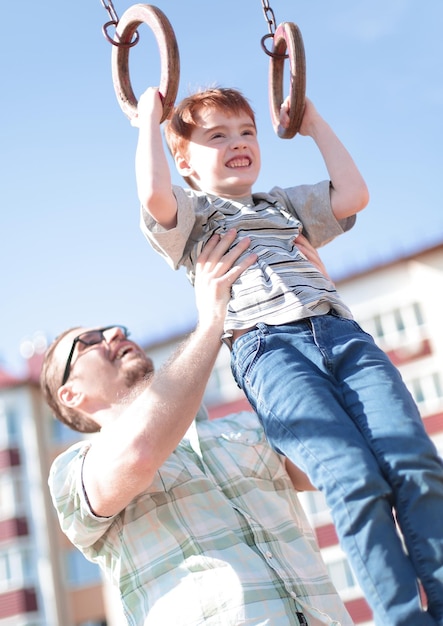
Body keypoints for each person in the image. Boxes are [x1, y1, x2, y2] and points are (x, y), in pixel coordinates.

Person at [133, 85, 443, 626]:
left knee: (415, 464)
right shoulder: (194, 215)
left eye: (247, 131)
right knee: (351, 477)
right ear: (185, 160)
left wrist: (312, 119)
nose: (239, 142)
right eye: (218, 135)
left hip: (343, 338)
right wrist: (149, 122)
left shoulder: (283, 204)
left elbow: (352, 195)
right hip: (269, 349)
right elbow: (156, 196)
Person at [42, 230, 354, 626]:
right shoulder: (73, 471)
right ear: (70, 394)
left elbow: (334, 460)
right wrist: (212, 322)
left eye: (115, 329)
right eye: (89, 340)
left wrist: (322, 315)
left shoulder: (244, 428)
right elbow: (140, 453)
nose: (115, 333)